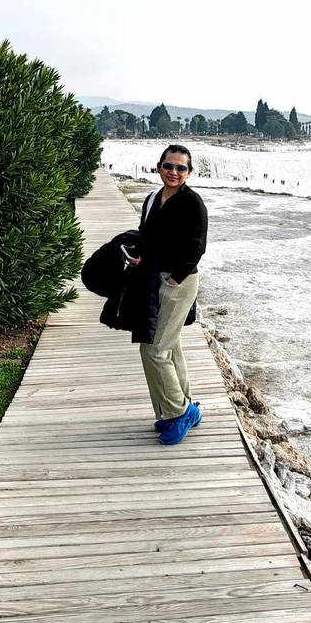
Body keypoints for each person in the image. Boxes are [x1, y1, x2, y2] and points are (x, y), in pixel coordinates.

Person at [128, 144, 208, 445]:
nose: (174, 172)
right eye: (169, 166)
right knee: (170, 346)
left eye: (181, 168)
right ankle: (182, 406)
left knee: (153, 349)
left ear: (189, 172)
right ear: (159, 167)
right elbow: (146, 236)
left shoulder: (193, 203)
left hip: (179, 283)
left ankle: (179, 411)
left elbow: (197, 247)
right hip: (153, 278)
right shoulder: (152, 199)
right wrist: (140, 259)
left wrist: (175, 277)